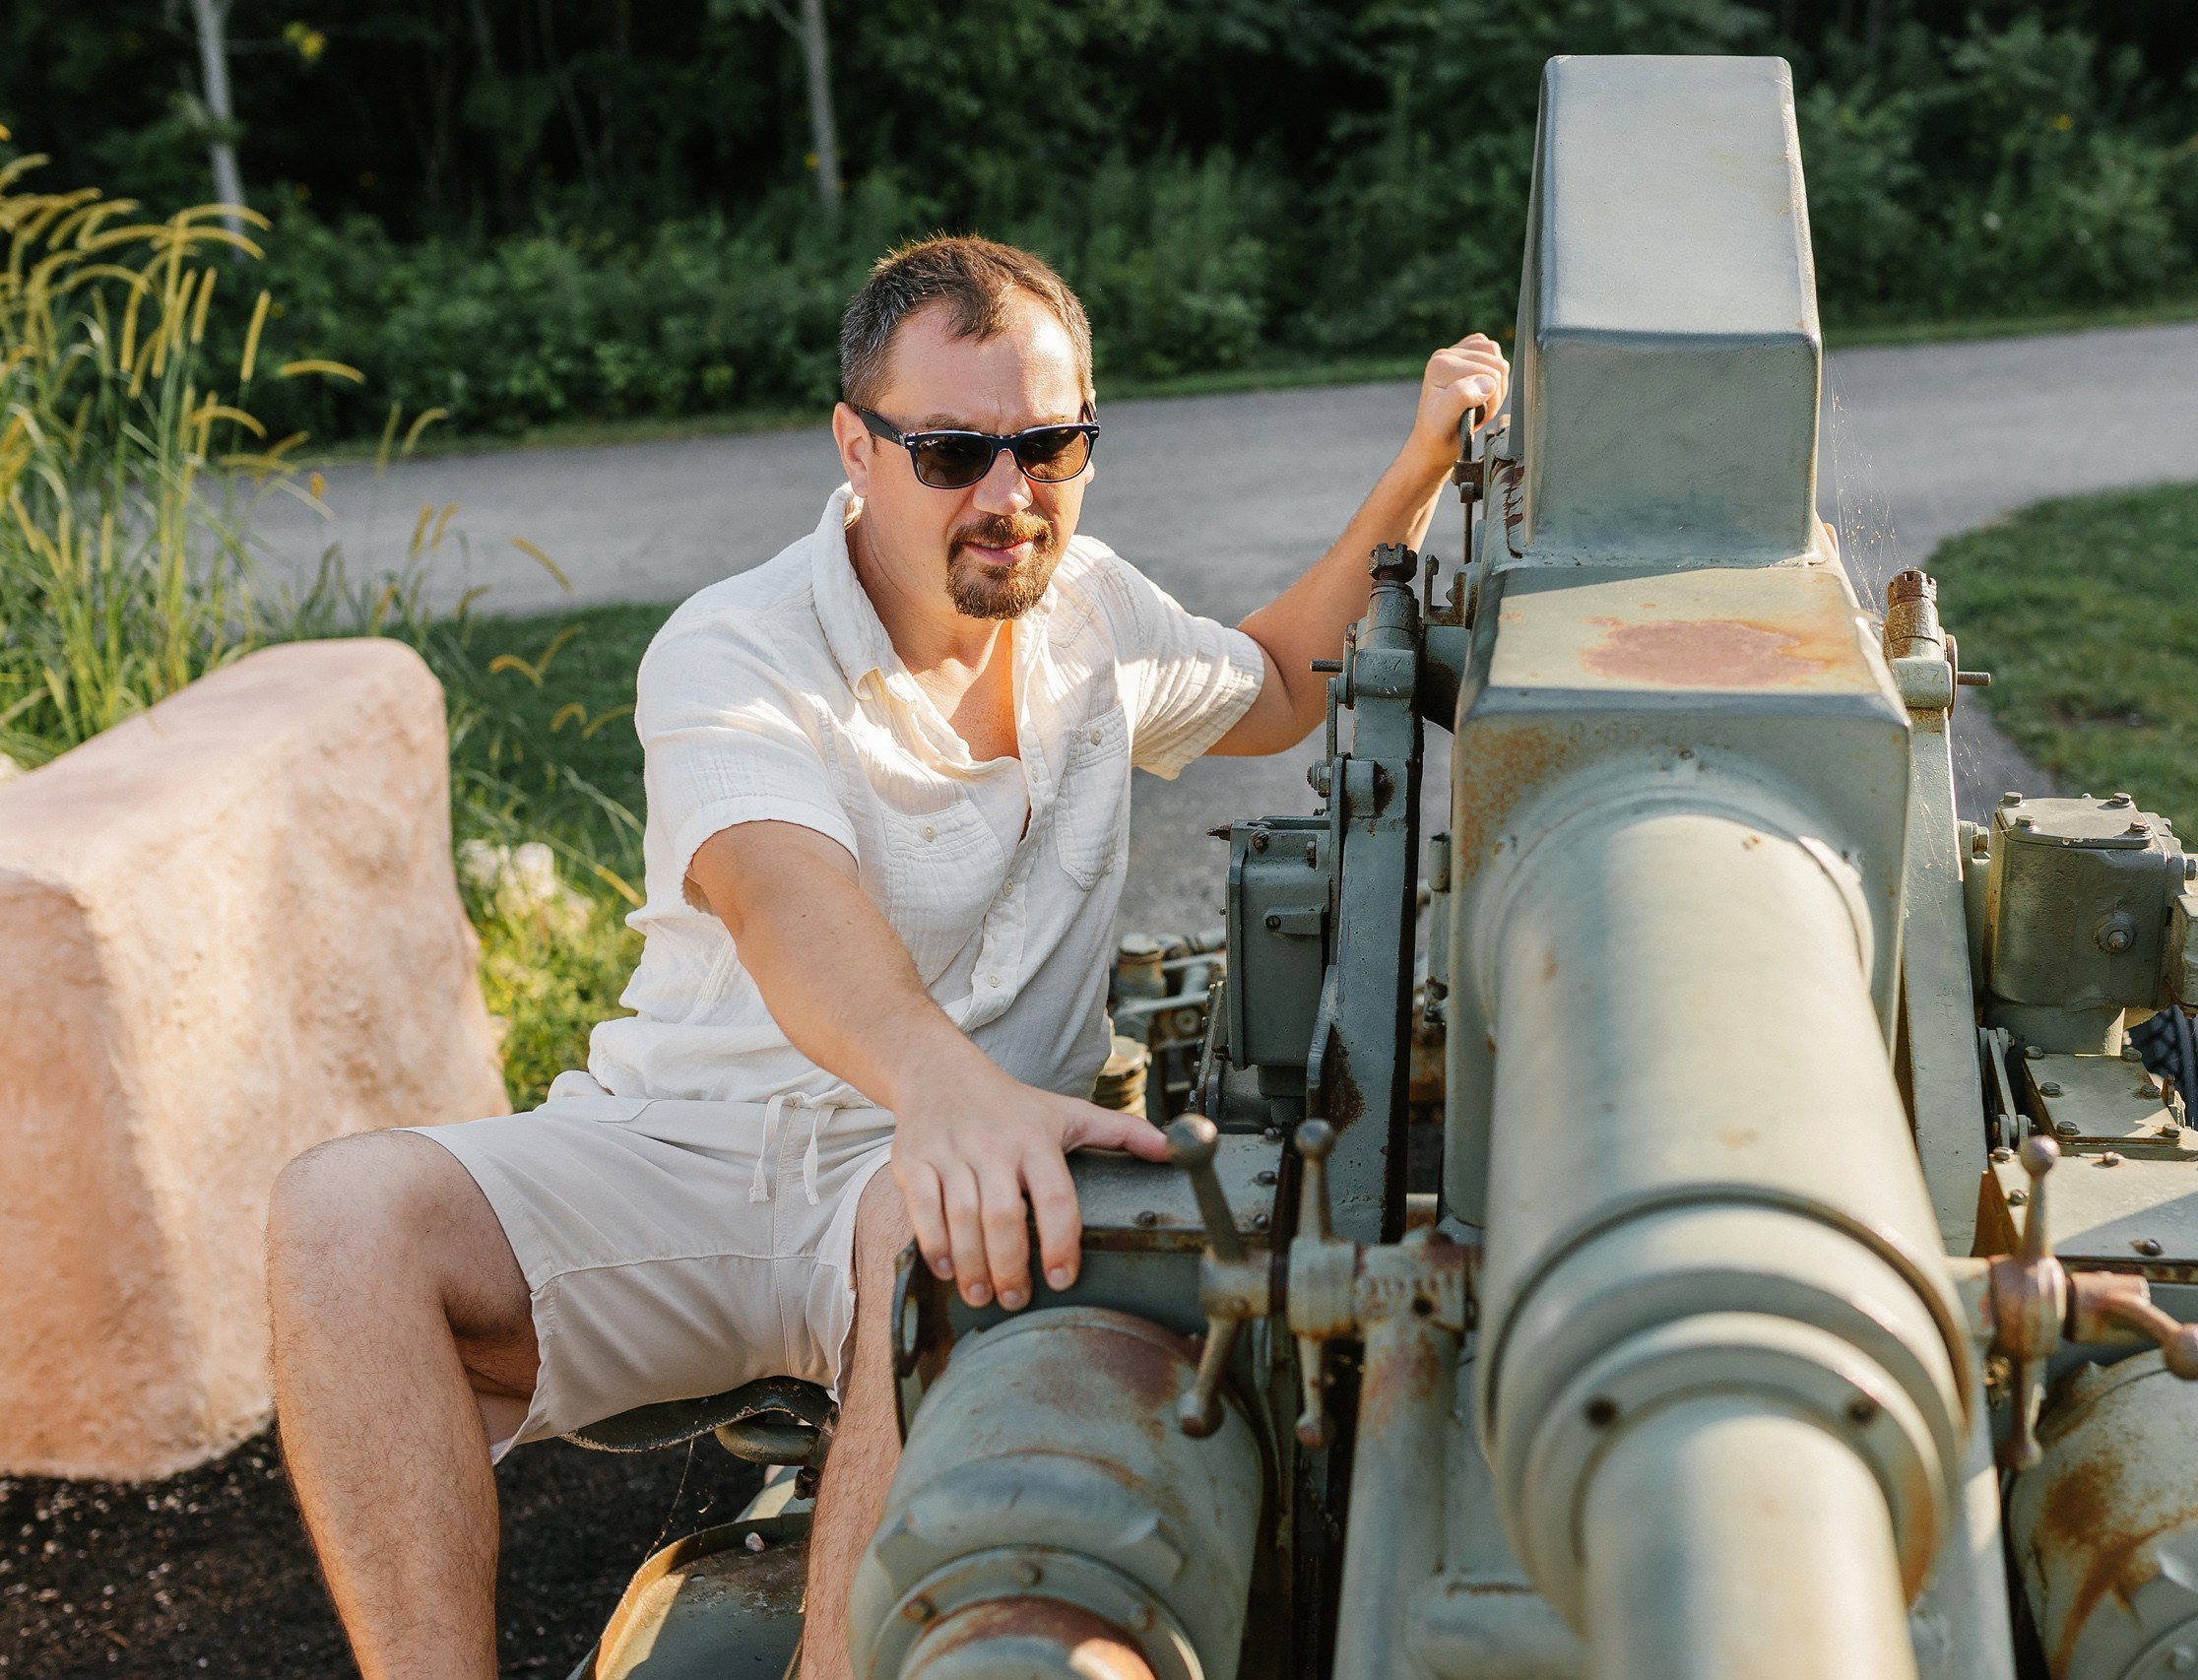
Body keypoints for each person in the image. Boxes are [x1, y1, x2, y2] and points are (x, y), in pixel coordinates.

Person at [264, 234, 1506, 1680]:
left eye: (1049, 444)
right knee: (343, 1215)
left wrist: (1421, 459)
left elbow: (1283, 681)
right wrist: (946, 1083)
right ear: (855, 445)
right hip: (694, 1145)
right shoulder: (731, 647)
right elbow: (787, 902)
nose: (1008, 494)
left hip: (917, 1191)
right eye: (952, 450)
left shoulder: (1094, 613)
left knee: (927, 1214)